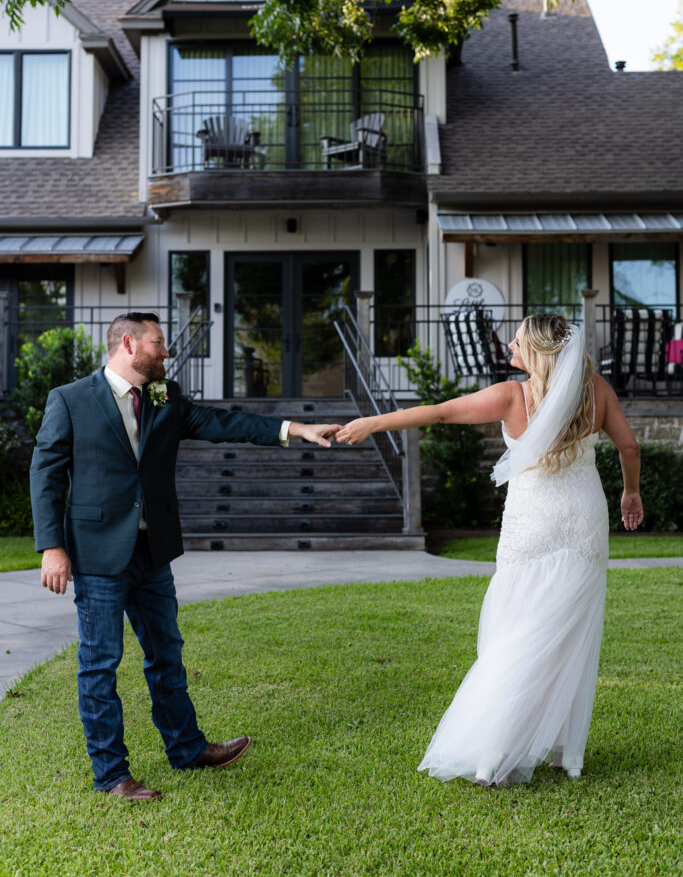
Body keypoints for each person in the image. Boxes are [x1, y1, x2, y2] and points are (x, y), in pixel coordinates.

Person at [31, 311, 340, 800]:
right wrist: (52, 547)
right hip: (96, 555)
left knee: (167, 656)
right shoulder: (69, 400)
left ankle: (188, 749)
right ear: (129, 344)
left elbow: (223, 423)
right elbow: (45, 473)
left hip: (152, 553)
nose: (167, 352)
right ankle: (112, 775)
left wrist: (296, 429)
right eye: (158, 344)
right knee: (100, 664)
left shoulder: (164, 396)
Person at [336, 313, 643, 787]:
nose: (510, 347)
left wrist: (374, 422)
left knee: (514, 630)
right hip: (584, 520)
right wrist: (631, 493)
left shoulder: (512, 396)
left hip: (531, 523)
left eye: (518, 342)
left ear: (538, 353)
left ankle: (490, 752)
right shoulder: (596, 390)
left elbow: (439, 411)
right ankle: (567, 753)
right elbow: (630, 446)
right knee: (568, 635)